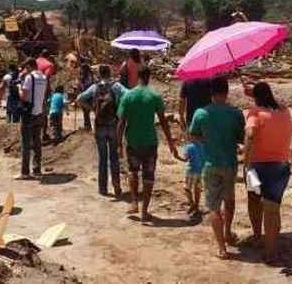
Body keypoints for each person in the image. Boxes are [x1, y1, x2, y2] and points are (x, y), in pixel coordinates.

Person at [188, 76, 245, 260]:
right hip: (229, 163)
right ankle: (228, 232)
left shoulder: (200, 113)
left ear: (210, 93)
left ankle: (221, 248)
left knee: (213, 207)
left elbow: (193, 135)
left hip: (210, 163)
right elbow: (241, 138)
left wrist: (206, 141)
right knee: (229, 200)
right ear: (227, 92)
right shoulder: (236, 113)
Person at [117, 65, 178, 222]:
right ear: (149, 77)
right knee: (148, 176)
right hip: (150, 142)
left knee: (132, 171)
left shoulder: (128, 95)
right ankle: (145, 211)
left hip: (132, 141)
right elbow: (163, 121)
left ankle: (134, 202)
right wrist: (170, 141)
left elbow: (121, 122)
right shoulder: (154, 96)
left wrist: (118, 143)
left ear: (138, 76)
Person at [243, 82, 292, 265]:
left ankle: (257, 236)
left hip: (257, 168)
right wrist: (256, 95)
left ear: (255, 97)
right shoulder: (284, 111)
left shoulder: (254, 113)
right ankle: (271, 251)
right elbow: (274, 103)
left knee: (254, 200)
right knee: (273, 209)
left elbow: (250, 134)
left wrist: (246, 162)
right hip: (280, 166)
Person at [77, 64, 126, 197]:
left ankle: (103, 188)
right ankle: (117, 187)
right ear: (110, 72)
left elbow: (79, 99)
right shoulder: (115, 86)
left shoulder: (95, 87)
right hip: (113, 125)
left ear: (99, 73)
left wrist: (92, 108)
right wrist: (120, 109)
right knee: (114, 157)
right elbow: (127, 95)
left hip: (99, 126)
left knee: (102, 158)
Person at [17, 58, 48, 179]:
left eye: (26, 67)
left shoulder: (30, 78)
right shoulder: (44, 78)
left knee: (26, 143)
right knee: (37, 143)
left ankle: (25, 172)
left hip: (28, 114)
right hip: (39, 112)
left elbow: (23, 97)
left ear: (29, 66)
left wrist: (19, 87)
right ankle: (37, 169)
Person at [174, 131, 205, 218]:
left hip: (190, 170)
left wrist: (177, 156)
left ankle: (191, 203)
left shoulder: (189, 147)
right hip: (199, 171)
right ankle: (196, 205)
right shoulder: (203, 147)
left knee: (187, 188)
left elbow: (185, 159)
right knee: (197, 189)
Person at [37, 50, 57, 141]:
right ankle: (43, 134)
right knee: (44, 113)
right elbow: (46, 78)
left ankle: (34, 134)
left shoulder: (35, 61)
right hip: (42, 91)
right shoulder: (49, 64)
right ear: (48, 56)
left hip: (32, 89)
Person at [78, 60, 94, 131]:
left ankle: (88, 126)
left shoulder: (89, 77)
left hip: (88, 96)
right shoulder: (84, 76)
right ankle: (87, 125)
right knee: (85, 111)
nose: (81, 71)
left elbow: (88, 85)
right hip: (84, 94)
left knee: (87, 111)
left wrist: (81, 84)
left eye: (82, 69)